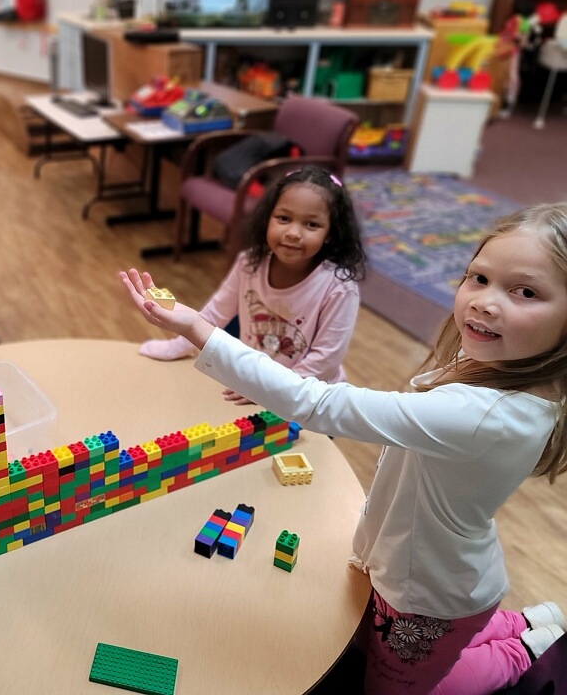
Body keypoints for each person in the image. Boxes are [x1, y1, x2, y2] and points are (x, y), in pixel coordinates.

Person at [121, 200, 567, 695]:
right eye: (478, 278)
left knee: (393, 688)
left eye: (526, 292)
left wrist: (196, 328)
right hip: (435, 580)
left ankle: (521, 651)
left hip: (429, 598)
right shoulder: (505, 360)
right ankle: (520, 622)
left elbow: (317, 402)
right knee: (425, 643)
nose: (485, 302)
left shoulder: (484, 415)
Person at [140, 166, 366, 404]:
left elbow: (325, 361)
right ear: (267, 218)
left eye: (311, 224)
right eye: (283, 218)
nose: (293, 233)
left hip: (312, 400)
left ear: (330, 233)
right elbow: (214, 314)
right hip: (256, 385)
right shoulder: (249, 263)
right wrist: (179, 346)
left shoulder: (340, 287)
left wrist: (270, 388)